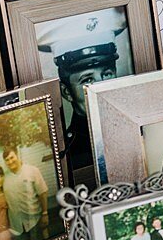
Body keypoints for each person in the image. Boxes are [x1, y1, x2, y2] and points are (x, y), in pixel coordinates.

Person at [36, 13, 129, 173]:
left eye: (106, 74)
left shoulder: (139, 127)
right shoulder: (70, 154)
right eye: (87, 80)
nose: (100, 87)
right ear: (67, 92)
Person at [1, 146, 49, 240]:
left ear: (17, 155)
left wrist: (45, 213)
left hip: (34, 220)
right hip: (16, 225)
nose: (10, 162)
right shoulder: (5, 178)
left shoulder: (32, 170)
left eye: (12, 157)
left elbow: (42, 193)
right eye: (7, 160)